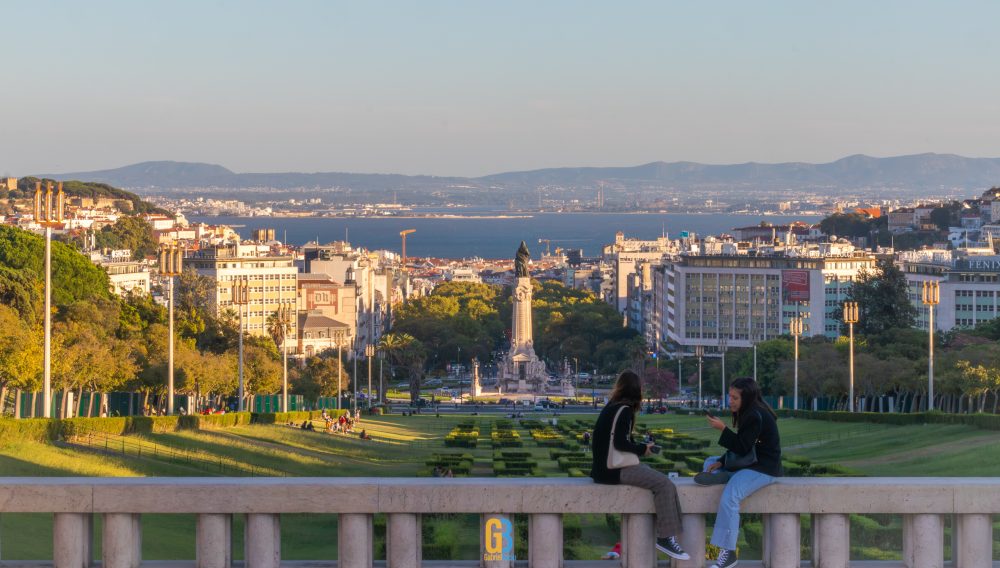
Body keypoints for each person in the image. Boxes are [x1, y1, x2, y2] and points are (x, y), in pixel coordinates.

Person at [590, 370, 689, 560]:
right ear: (637, 390)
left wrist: (641, 447)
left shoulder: (612, 406)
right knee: (664, 484)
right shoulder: (625, 410)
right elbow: (620, 443)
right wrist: (643, 449)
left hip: (603, 469)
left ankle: (670, 534)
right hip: (613, 470)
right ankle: (666, 537)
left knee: (654, 476)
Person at [695, 377, 783, 568]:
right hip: (750, 462)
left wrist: (723, 429)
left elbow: (742, 447)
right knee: (710, 461)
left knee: (731, 495)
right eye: (730, 396)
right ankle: (725, 472)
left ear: (747, 398)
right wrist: (721, 461)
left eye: (735, 398)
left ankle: (728, 554)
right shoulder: (750, 412)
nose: (730, 401)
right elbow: (743, 446)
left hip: (763, 468)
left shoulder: (754, 415)